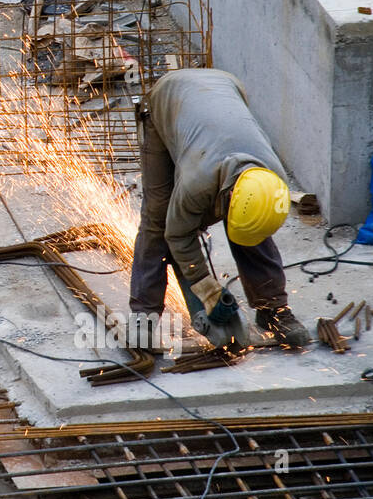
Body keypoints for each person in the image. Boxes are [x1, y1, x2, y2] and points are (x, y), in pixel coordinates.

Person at [127, 68, 308, 353]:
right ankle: (143, 317)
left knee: (252, 227)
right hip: (165, 100)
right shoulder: (199, 183)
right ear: (224, 196)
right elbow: (178, 235)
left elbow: (253, 223)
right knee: (158, 218)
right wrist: (206, 288)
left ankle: (272, 309)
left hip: (226, 90)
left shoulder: (272, 181)